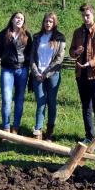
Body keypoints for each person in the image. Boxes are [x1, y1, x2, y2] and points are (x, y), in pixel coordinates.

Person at [69, 3, 95, 152]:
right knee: (86, 106)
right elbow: (71, 52)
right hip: (81, 74)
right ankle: (89, 135)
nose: (85, 18)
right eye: (83, 16)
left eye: (88, 15)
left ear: (93, 15)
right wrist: (76, 52)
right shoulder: (77, 32)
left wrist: (90, 63)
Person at [30, 12, 66, 141]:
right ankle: (38, 129)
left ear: (54, 23)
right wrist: (36, 72)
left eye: (50, 21)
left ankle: (49, 131)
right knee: (40, 102)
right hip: (38, 74)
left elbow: (59, 59)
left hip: (53, 75)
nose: (48, 24)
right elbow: (32, 56)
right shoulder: (37, 37)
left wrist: (46, 73)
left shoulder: (60, 38)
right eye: (46, 21)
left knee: (51, 102)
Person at [0, 12, 32, 135]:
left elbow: (30, 52)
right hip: (7, 69)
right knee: (6, 99)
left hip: (22, 70)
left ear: (23, 21)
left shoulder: (27, 35)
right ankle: (5, 128)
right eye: (17, 17)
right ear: (12, 19)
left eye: (21, 18)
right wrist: (7, 58)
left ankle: (16, 127)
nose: (19, 20)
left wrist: (25, 62)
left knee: (19, 99)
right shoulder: (3, 34)